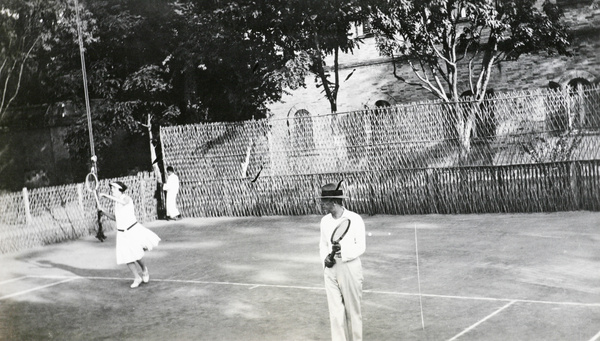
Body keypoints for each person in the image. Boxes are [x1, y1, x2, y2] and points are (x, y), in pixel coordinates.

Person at [319, 181, 366, 341]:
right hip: (330, 269)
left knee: (353, 311)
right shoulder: (324, 221)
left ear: (334, 202)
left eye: (324, 202)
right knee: (335, 312)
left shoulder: (355, 219)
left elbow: (361, 247)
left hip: (350, 268)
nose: (322, 205)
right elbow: (323, 244)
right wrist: (325, 257)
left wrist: (342, 252)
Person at [100, 181, 161, 288]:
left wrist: (106, 196)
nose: (112, 190)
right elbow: (116, 218)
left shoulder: (127, 198)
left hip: (132, 230)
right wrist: (103, 212)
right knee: (126, 256)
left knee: (137, 255)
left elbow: (124, 202)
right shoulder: (116, 203)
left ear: (119, 189)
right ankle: (137, 277)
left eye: (113, 188)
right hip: (121, 233)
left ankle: (144, 269)